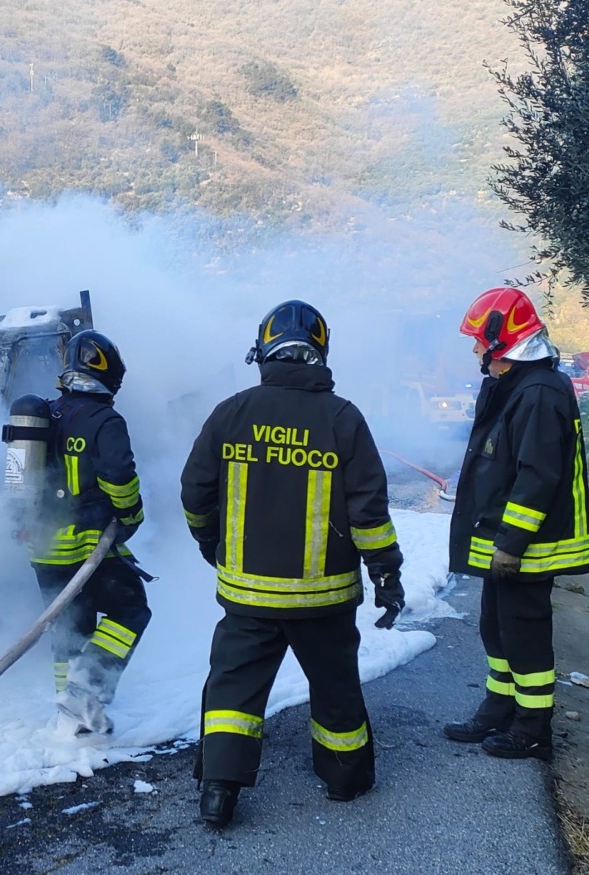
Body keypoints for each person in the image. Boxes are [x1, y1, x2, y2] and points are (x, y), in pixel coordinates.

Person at [180, 300, 405, 828]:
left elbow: (195, 491)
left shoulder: (231, 412)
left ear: (261, 352)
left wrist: (209, 541)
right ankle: (345, 779)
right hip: (323, 599)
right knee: (334, 685)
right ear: (320, 353)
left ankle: (219, 790)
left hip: (247, 596)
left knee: (234, 687)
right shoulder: (343, 418)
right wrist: (386, 573)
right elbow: (369, 511)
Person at [443, 287, 589, 760]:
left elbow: (538, 477)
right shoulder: (517, 386)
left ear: (502, 340)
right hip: (504, 541)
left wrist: (510, 544)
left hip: (528, 546)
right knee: (495, 626)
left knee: (524, 636)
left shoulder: (540, 394)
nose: (474, 350)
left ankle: (532, 729)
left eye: (477, 340)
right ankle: (498, 708)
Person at [31, 329, 151, 736]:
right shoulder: (105, 420)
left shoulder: (46, 413)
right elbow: (120, 477)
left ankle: (73, 719)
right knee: (131, 610)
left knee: (70, 627)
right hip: (86, 545)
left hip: (42, 547)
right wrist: (131, 516)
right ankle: (88, 687)